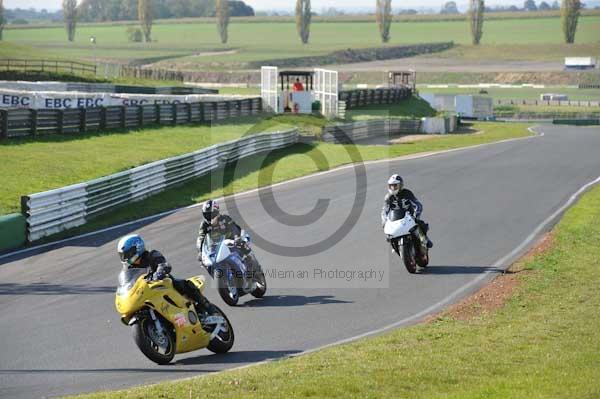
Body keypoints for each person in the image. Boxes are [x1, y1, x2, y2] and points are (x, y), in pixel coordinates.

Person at [117, 234, 215, 314]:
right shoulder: (129, 269)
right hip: (146, 292)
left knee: (183, 284)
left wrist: (160, 271)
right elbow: (128, 281)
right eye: (123, 255)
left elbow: (162, 264)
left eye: (127, 254)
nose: (125, 258)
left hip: (162, 284)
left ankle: (207, 306)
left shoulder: (151, 255)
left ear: (138, 247)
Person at [381, 174, 433, 248]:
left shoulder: (407, 193)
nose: (393, 188)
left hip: (409, 217)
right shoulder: (388, 197)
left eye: (395, 185)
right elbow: (384, 211)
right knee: (388, 236)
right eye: (391, 186)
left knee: (420, 225)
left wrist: (416, 215)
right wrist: (384, 221)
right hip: (395, 219)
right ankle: (395, 246)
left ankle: (425, 239)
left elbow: (418, 204)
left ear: (400, 185)